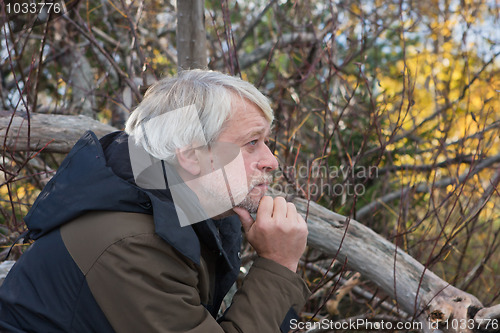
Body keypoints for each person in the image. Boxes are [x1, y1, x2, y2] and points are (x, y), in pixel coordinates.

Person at [0, 69, 310, 332]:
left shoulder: (178, 208)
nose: (272, 160)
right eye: (252, 143)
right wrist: (277, 264)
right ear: (190, 155)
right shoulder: (132, 245)